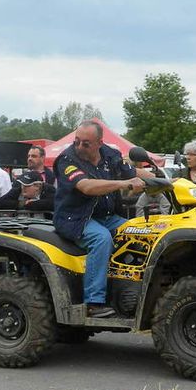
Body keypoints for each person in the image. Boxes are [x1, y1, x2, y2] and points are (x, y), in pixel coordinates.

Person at [53, 120, 148, 318]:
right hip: (76, 219)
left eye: (85, 143)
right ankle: (94, 303)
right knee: (101, 238)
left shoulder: (109, 154)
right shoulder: (66, 160)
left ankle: (133, 292)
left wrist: (167, 180)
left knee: (140, 234)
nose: (79, 146)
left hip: (107, 216)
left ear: (99, 142)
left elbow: (133, 172)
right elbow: (86, 186)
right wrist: (125, 184)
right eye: (77, 141)